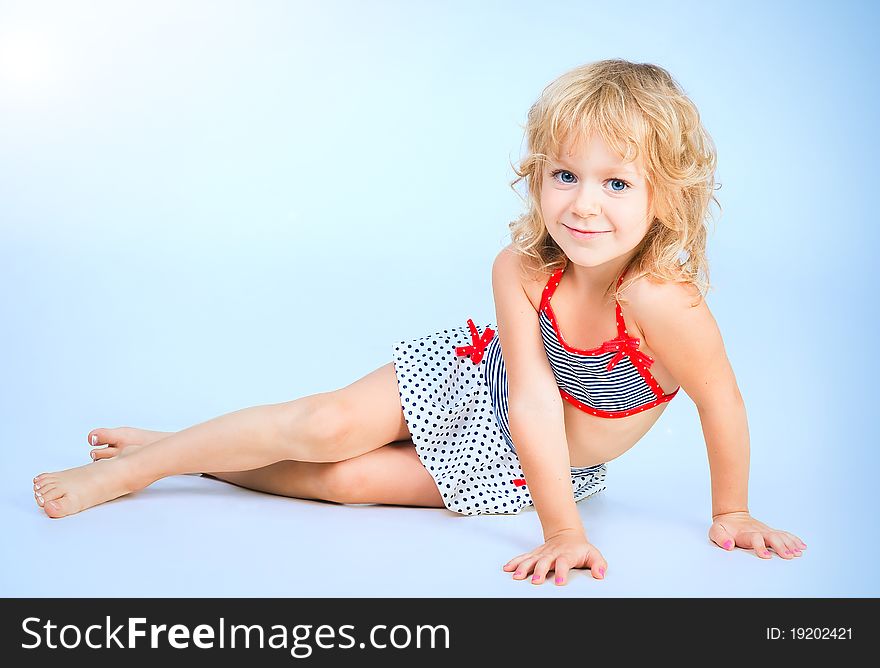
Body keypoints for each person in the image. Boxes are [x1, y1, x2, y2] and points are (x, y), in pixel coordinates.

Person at [31, 59, 806, 585]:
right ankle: (130, 471)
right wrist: (564, 532)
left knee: (348, 481)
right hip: (474, 380)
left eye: (615, 182)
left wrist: (729, 511)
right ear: (536, 178)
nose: (584, 203)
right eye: (565, 175)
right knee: (328, 424)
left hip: (531, 462)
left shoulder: (664, 304)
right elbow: (530, 398)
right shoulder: (523, 268)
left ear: (663, 198)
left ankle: (180, 455)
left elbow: (720, 401)